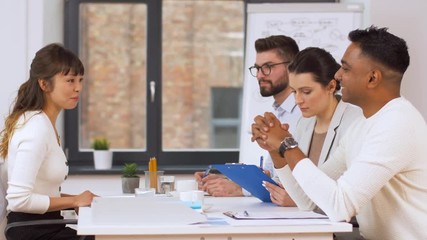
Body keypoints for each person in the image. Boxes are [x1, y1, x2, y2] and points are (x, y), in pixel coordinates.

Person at [252, 26, 427, 240]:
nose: (337, 75)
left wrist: (287, 144)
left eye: (346, 68)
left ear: (372, 78)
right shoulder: (362, 125)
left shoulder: (397, 124)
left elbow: (339, 206)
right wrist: (276, 151)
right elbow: (307, 200)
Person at [0, 43, 97, 240]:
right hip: (34, 231)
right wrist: (75, 200)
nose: (78, 88)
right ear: (44, 84)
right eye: (70, 81)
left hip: (47, 225)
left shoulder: (42, 123)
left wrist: (76, 201)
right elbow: (18, 201)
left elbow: (41, 191)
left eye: (80, 80)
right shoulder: (35, 128)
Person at [194, 35, 301, 196]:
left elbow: (298, 180)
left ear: (291, 67)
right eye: (257, 68)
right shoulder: (279, 112)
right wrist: (230, 180)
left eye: (268, 67)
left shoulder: (303, 113)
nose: (259, 75)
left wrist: (240, 189)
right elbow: (273, 175)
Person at [262, 47, 362, 207]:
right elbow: (293, 183)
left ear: (330, 87)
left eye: (306, 91)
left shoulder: (355, 122)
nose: (298, 100)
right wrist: (275, 150)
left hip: (346, 227)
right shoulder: (305, 123)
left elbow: (342, 195)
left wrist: (297, 200)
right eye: (294, 92)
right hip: (307, 221)